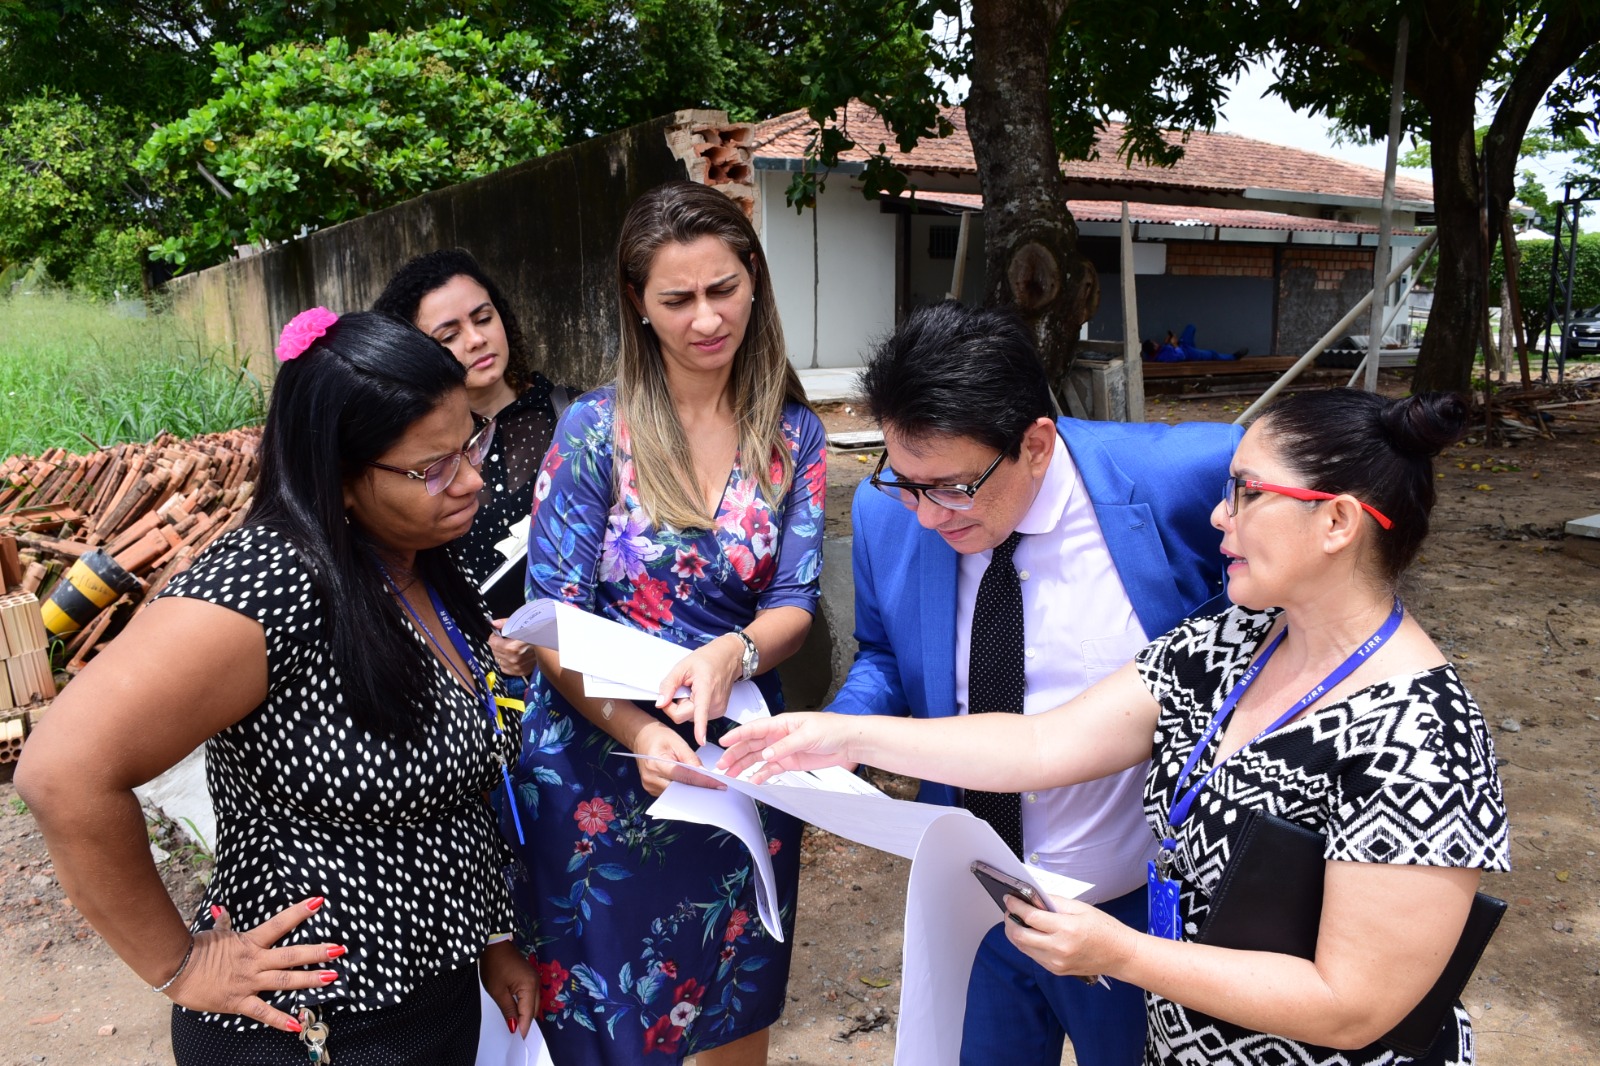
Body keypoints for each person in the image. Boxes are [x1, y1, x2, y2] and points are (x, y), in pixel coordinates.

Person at [721, 387, 1510, 1066]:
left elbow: (1354, 1004)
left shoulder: (1424, 734)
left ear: (1336, 521)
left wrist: (1123, 953)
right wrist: (845, 737)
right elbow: (1043, 742)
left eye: (1246, 493)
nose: (1215, 514)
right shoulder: (1234, 643)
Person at [16, 310, 539, 1064]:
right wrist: (180, 964)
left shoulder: (414, 557)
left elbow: (448, 801)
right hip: (316, 1030)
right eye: (432, 467)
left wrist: (490, 938)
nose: (473, 480)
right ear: (337, 476)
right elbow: (61, 771)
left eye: (470, 445)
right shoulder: (269, 588)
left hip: (432, 1004)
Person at [816, 300, 1238, 1066]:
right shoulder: (893, 520)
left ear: (1036, 445)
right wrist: (832, 739)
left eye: (950, 486)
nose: (925, 515)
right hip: (978, 901)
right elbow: (885, 657)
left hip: (1139, 910)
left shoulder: (1181, 481)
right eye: (902, 480)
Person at [505, 181, 826, 1065]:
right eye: (677, 299)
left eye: (723, 289)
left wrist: (739, 648)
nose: (706, 318)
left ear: (754, 283)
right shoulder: (593, 431)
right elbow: (549, 621)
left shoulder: (794, 434)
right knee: (612, 1029)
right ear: (639, 307)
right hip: (600, 769)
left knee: (734, 1009)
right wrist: (642, 730)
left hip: (737, 761)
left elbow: (797, 599)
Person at [374, 248, 573, 679]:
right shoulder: (403, 462)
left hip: (590, 677)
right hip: (475, 688)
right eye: (449, 335)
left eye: (483, 319)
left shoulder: (576, 418)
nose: (476, 339)